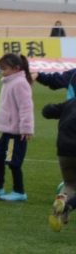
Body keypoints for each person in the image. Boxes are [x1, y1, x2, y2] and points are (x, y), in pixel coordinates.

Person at [0, 52, 34, 201]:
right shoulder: (9, 82)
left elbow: (26, 107)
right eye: (1, 69)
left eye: (5, 69)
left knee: (13, 162)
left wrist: (26, 128)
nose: (2, 72)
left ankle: (19, 191)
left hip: (16, 133)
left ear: (16, 68)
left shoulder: (19, 83)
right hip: (7, 131)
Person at [42, 89, 76, 230]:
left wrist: (49, 107)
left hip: (64, 150)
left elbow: (47, 111)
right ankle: (68, 206)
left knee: (70, 184)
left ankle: (62, 203)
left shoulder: (70, 103)